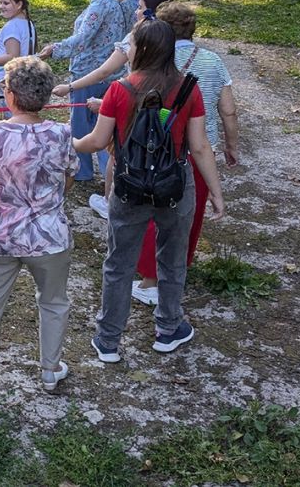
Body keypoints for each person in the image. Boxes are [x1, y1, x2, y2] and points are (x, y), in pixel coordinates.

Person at [73, 22, 225, 362]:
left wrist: (71, 142)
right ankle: (168, 329)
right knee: (172, 261)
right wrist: (215, 191)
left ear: (139, 49)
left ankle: (108, 340)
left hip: (130, 187)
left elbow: (97, 142)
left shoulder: (120, 90)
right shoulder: (188, 89)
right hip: (175, 186)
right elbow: (199, 147)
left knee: (118, 263)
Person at [0, 57, 77, 395]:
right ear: (46, 96)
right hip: (50, 238)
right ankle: (50, 370)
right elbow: (67, 182)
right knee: (53, 302)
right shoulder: (62, 133)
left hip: (0, 238)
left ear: (10, 95)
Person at [131, 1, 240, 306]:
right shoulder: (214, 62)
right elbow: (228, 111)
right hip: (200, 152)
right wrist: (232, 146)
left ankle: (149, 281)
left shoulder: (151, 60)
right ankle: (176, 271)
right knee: (188, 215)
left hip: (156, 149)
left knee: (153, 214)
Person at [52, 0, 175, 219]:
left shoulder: (135, 41)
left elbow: (104, 72)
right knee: (156, 147)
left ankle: (111, 202)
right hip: (165, 109)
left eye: (140, 7)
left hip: (136, 105)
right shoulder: (173, 39)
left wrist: (72, 90)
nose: (136, 11)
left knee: (119, 150)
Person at [39, 0, 130, 182]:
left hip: (88, 74)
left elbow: (82, 40)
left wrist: (54, 49)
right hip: (113, 72)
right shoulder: (126, 0)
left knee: (82, 125)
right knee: (107, 124)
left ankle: (82, 171)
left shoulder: (102, 5)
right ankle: (112, 171)